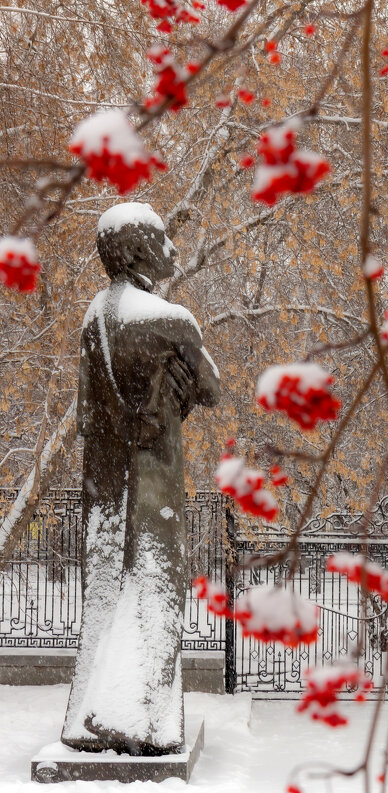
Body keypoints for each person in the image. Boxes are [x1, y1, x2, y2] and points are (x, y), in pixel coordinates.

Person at [61, 202, 220, 755]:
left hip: (104, 492)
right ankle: (145, 723)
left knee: (106, 596)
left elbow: (86, 417)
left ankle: (88, 717)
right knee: (156, 589)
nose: (172, 250)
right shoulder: (169, 321)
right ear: (131, 252)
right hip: (154, 490)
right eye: (160, 240)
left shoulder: (91, 321)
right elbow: (213, 386)